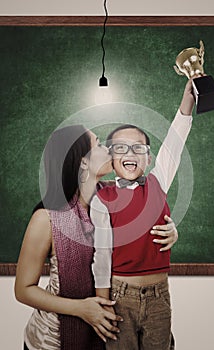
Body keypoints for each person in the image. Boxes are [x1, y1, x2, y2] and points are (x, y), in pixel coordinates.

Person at [15, 124, 179, 350]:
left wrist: (171, 230)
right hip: (53, 340)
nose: (110, 150)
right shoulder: (47, 219)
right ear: (83, 161)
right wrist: (81, 309)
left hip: (107, 332)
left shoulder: (114, 197)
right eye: (100, 144)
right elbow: (23, 290)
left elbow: (150, 211)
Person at [90, 78, 196, 350]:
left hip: (160, 295)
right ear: (111, 160)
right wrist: (103, 305)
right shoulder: (103, 198)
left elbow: (175, 140)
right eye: (121, 148)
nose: (131, 153)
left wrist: (189, 98)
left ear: (149, 159)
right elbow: (101, 256)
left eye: (139, 148)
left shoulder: (158, 182)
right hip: (119, 295)